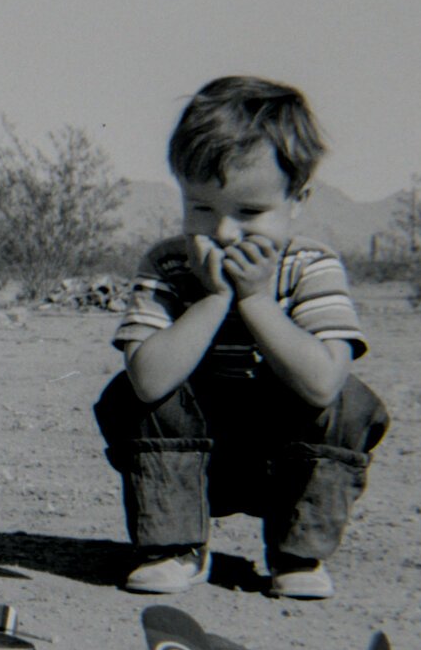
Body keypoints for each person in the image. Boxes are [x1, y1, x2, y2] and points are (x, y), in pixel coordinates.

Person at [94, 76, 389, 599]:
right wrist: (212, 299)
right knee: (134, 391)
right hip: (188, 459)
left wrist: (254, 300)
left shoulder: (310, 265)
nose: (225, 233)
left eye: (250, 213)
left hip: (283, 459)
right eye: (202, 208)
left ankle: (296, 554)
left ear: (297, 199)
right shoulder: (169, 263)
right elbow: (146, 381)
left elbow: (323, 386)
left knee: (350, 400)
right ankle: (173, 546)